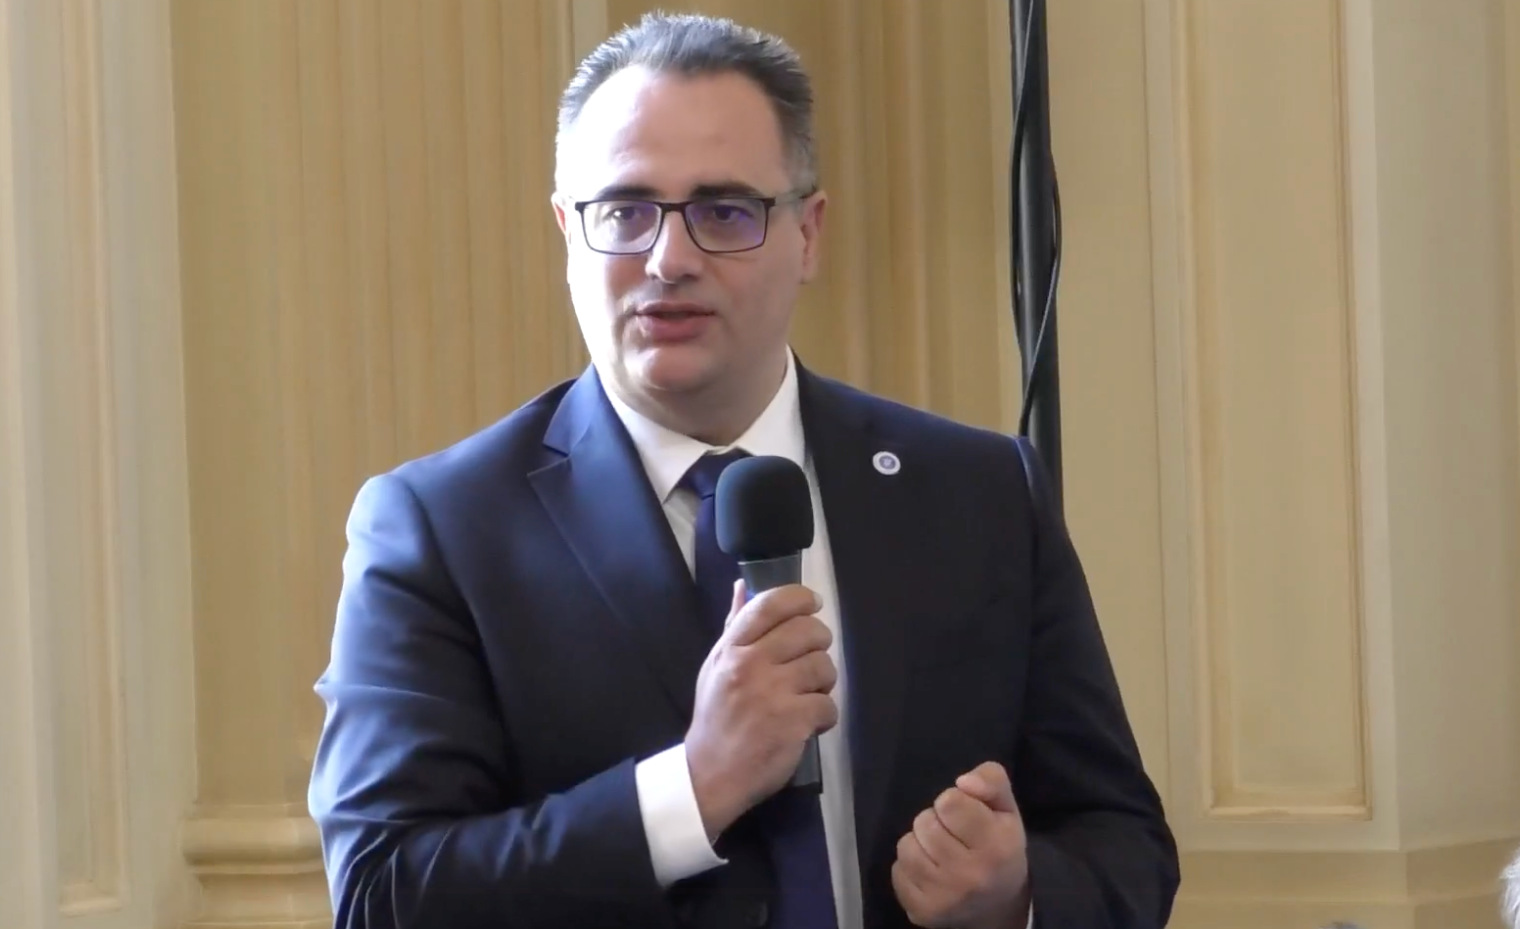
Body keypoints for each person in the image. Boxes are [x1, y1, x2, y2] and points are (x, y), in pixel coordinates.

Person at [307, 11, 1179, 929]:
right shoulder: (441, 527)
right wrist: (693, 786)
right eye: (624, 211)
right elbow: (380, 892)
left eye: (724, 211)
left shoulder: (979, 492)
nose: (668, 258)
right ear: (569, 233)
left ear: (809, 234)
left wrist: (1020, 896)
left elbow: (1123, 841)